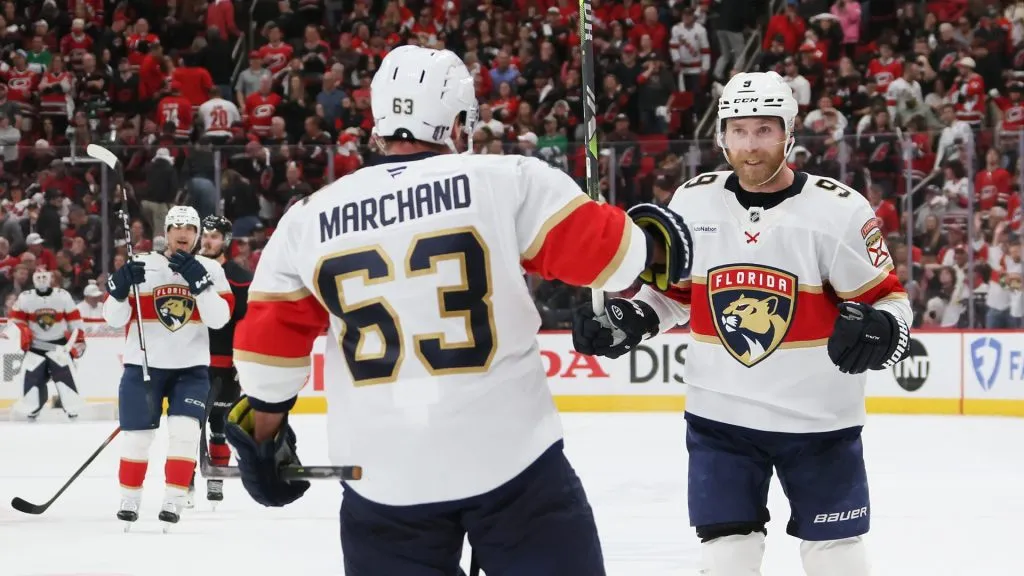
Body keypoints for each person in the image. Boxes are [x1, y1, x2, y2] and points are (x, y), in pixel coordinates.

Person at [224, 45, 690, 575]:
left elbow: (268, 355)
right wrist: (647, 238)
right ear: (460, 121)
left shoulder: (306, 219)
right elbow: (624, 257)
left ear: (378, 121)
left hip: (383, 477)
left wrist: (264, 441)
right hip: (512, 461)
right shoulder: (506, 179)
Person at [572, 71, 912, 576]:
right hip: (720, 419)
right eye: (739, 131)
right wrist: (633, 318)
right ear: (721, 135)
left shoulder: (838, 211)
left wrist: (884, 331)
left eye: (764, 130)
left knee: (836, 557)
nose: (751, 147)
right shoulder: (692, 200)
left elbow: (892, 303)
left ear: (789, 132)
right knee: (726, 556)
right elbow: (676, 297)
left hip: (819, 422)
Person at [103, 205, 233, 531]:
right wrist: (118, 293)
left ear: (197, 234)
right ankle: (129, 499)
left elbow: (220, 319)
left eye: (190, 227)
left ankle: (174, 499)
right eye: (176, 226)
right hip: (143, 367)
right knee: (137, 438)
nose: (183, 232)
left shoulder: (210, 269)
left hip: (190, 370)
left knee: (186, 435)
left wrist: (200, 285)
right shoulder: (142, 264)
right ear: (167, 231)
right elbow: (113, 318)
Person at [196, 214, 252, 506]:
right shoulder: (186, 271)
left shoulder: (240, 279)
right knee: (189, 424)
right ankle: (186, 481)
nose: (207, 240)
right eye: (205, 235)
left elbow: (246, 323)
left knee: (219, 424)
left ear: (225, 241)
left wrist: (242, 361)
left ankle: (215, 478)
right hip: (190, 361)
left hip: (225, 365)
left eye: (214, 236)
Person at [8, 268, 86, 419]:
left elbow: (75, 320)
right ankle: (33, 407)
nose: (42, 280)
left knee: (65, 379)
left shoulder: (62, 295)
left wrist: (79, 339)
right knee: (32, 380)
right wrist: (22, 330)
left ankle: (72, 407)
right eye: (39, 276)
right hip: (35, 348)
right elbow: (15, 320)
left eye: (45, 276)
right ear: (33, 278)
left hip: (59, 347)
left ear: (50, 278)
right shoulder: (25, 297)